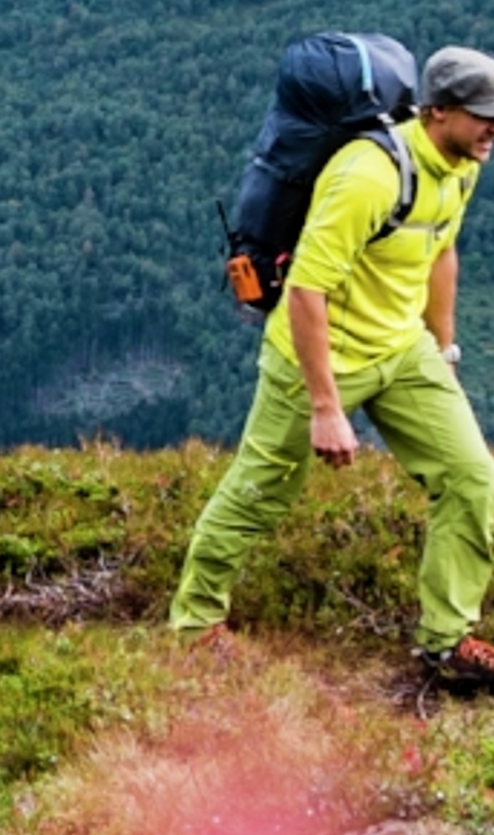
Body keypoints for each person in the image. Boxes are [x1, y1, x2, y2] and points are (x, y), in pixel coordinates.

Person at [170, 44, 494, 693]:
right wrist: (325, 405)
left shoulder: (463, 164)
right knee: (261, 493)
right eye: (483, 116)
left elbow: (441, 249)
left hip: (401, 350)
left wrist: (444, 351)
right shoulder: (369, 175)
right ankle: (194, 625)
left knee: (471, 479)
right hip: (315, 359)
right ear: (437, 112)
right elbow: (308, 290)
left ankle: (445, 642)